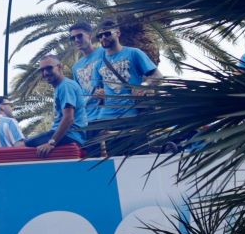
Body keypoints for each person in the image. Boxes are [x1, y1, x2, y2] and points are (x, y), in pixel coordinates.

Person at [86, 24, 160, 152]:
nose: (103, 37)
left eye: (107, 33)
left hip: (132, 115)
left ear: (118, 33)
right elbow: (96, 90)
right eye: (100, 36)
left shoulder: (134, 53)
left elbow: (157, 76)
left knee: (138, 156)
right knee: (115, 159)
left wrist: (144, 86)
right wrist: (98, 93)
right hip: (108, 118)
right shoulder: (99, 64)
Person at [22, 55, 88, 156]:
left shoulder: (65, 86)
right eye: (42, 70)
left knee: (21, 145)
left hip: (70, 135)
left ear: (60, 67)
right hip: (70, 135)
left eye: (49, 68)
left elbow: (69, 118)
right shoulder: (61, 86)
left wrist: (51, 142)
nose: (45, 73)